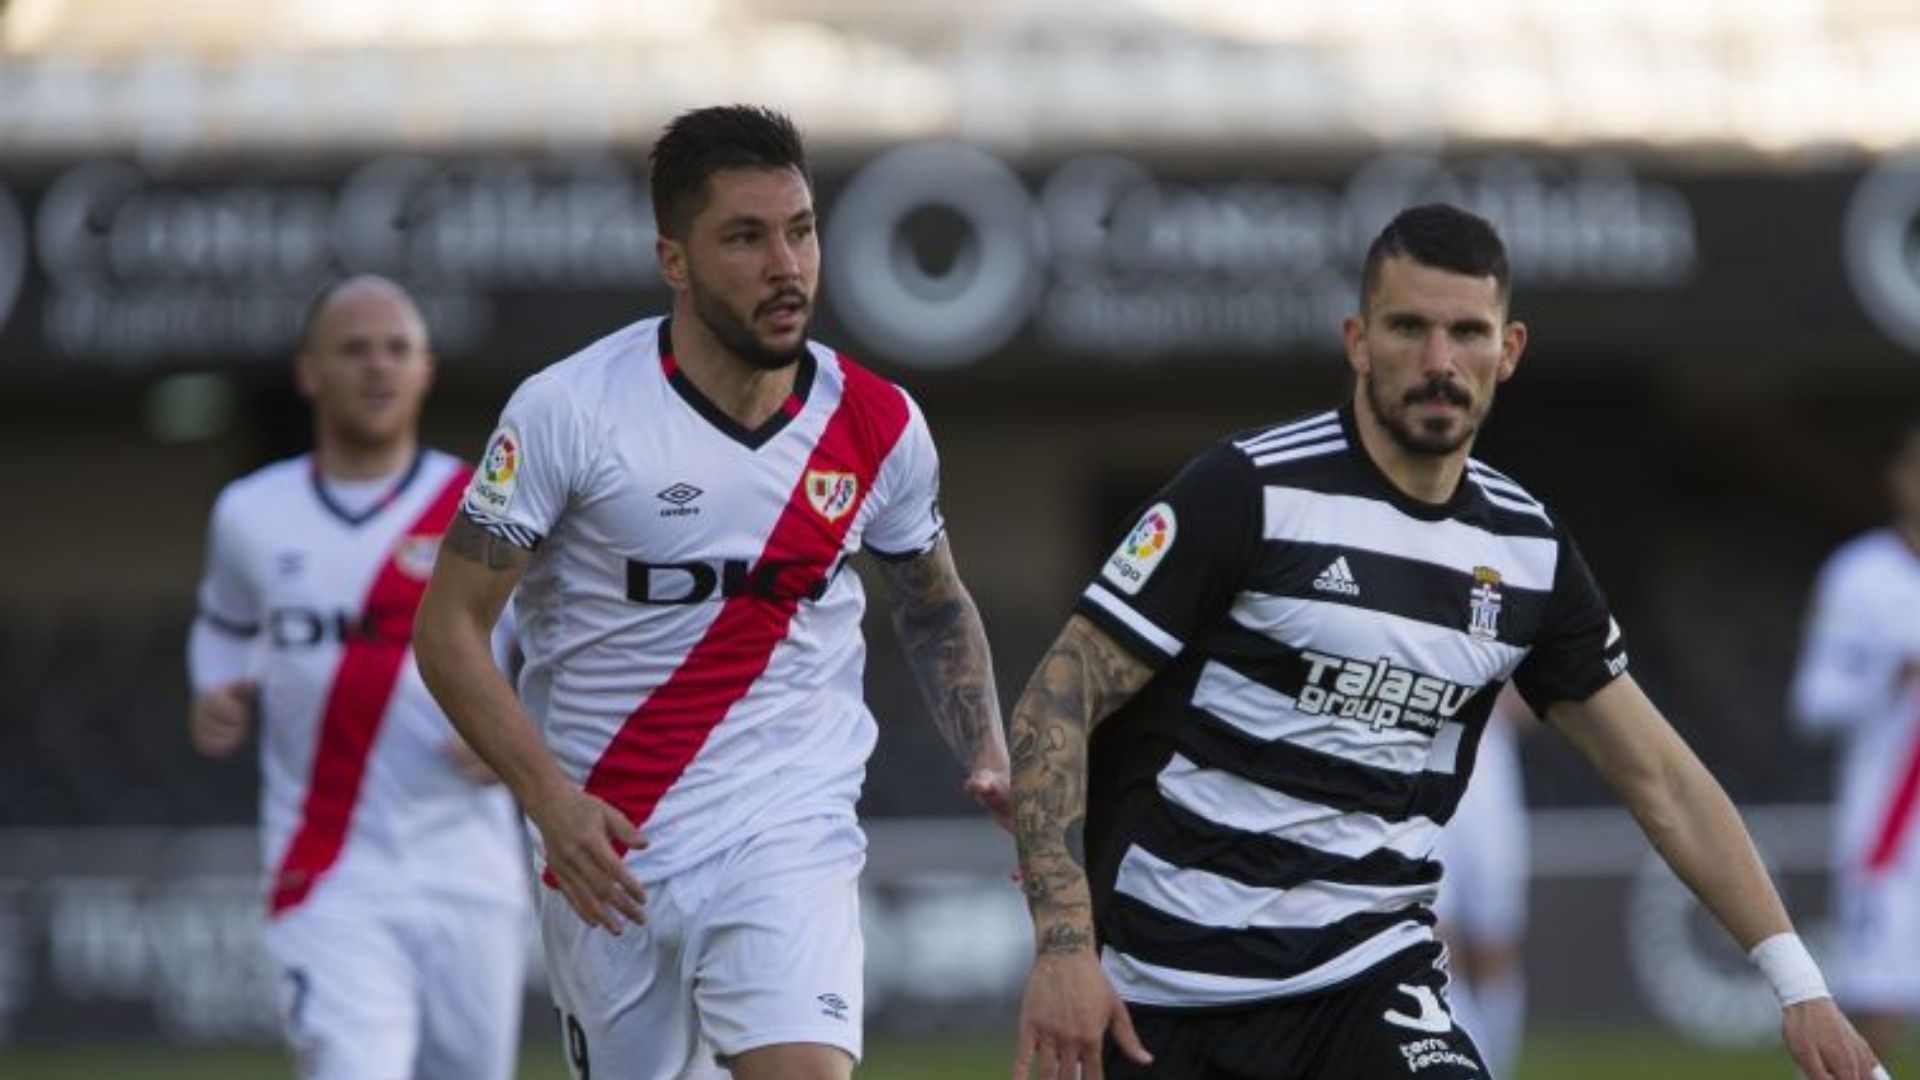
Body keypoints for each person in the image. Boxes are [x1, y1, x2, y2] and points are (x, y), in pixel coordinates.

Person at [1007, 203, 1884, 1080]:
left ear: (1508, 351)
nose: (1439, 363)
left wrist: (1798, 983)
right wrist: (1061, 949)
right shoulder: (1246, 494)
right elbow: (1057, 699)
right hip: (1167, 995)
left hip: (1366, 980)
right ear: (1358, 340)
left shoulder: (1527, 553)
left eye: (1467, 332)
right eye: (1409, 328)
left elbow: (1662, 780)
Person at [412, 104, 1012, 1080]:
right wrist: (550, 802)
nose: (787, 265)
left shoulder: (877, 422)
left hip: (788, 822)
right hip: (609, 844)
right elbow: (448, 631)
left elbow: (933, 599)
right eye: (745, 237)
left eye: (802, 230)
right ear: (675, 260)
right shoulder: (571, 411)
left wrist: (984, 742)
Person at [188, 275, 530, 1080]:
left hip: (469, 872)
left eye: (396, 349)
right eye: (354, 349)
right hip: (329, 870)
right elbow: (223, 625)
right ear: (310, 372)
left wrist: (519, 731)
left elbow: (550, 650)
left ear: (426, 370)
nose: (378, 367)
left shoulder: (481, 507)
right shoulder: (250, 512)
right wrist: (216, 688)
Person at [1792, 421, 1920, 1062]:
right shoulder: (1859, 577)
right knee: (1878, 1006)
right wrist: (1889, 679)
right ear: (1899, 477)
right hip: (1890, 832)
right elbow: (1812, 704)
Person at [1432, 689, 1531, 1076]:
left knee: (1496, 942)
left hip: (1485, 756)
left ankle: (1496, 1068)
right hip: (1414, 757)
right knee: (1436, 942)